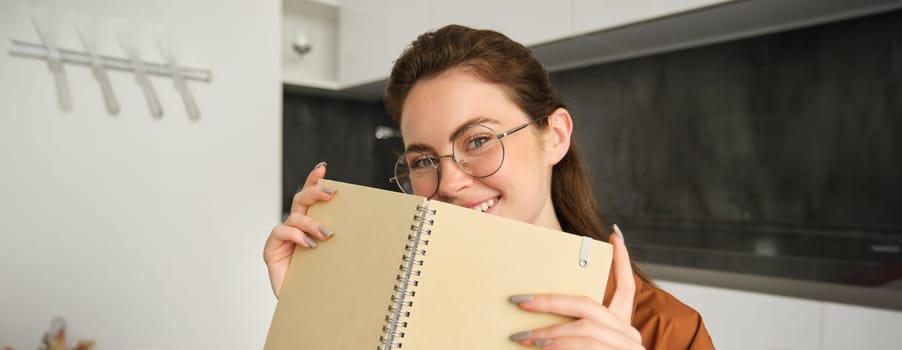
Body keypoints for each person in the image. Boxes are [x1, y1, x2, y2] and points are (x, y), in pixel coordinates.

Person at [265, 24, 714, 349]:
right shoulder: (394, 308)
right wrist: (310, 316)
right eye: (423, 160)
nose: (452, 183)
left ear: (555, 136)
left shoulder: (666, 331)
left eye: (478, 140)